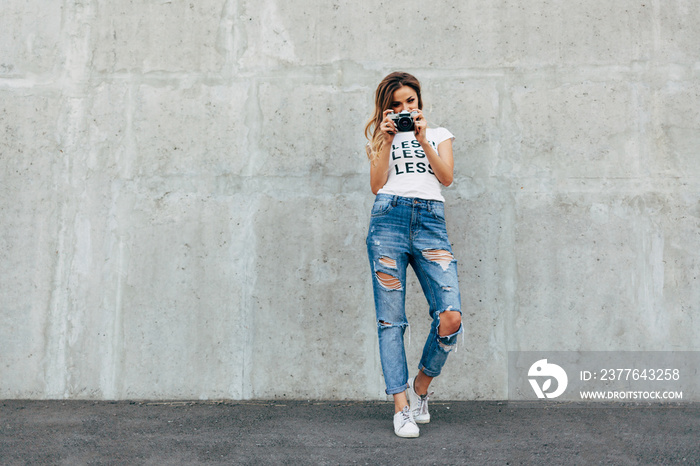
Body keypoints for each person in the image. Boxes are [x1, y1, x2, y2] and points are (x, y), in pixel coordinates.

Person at [364, 71, 463, 438]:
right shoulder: (381, 138)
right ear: (386, 111)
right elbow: (376, 185)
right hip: (388, 219)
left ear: (419, 100)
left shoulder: (439, 135)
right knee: (391, 320)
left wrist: (422, 139)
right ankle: (401, 406)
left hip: (430, 223)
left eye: (409, 101)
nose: (405, 109)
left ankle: (421, 386)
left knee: (450, 316)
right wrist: (387, 140)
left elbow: (447, 177)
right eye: (396, 105)